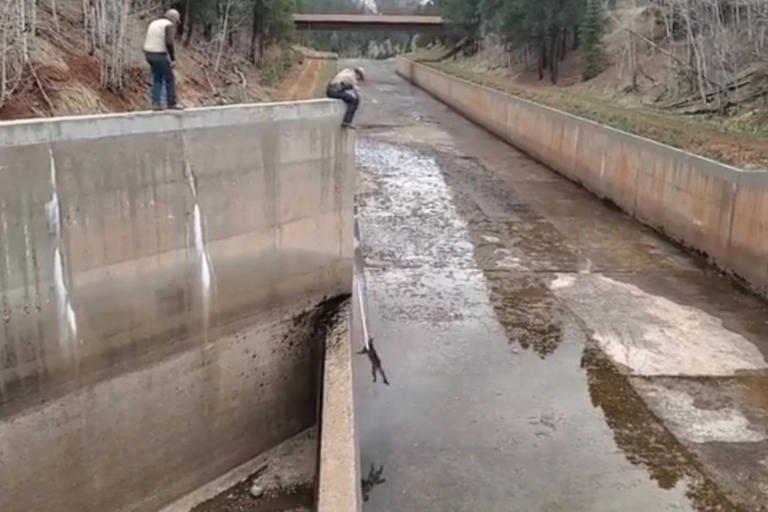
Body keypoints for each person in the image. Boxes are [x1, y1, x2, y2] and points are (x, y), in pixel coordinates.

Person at [143, 9, 182, 111]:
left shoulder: (155, 22)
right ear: (174, 19)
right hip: (158, 54)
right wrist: (173, 59)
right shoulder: (168, 25)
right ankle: (171, 102)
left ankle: (156, 103)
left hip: (148, 53)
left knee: (158, 78)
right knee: (169, 77)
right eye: (176, 20)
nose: (176, 23)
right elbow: (169, 42)